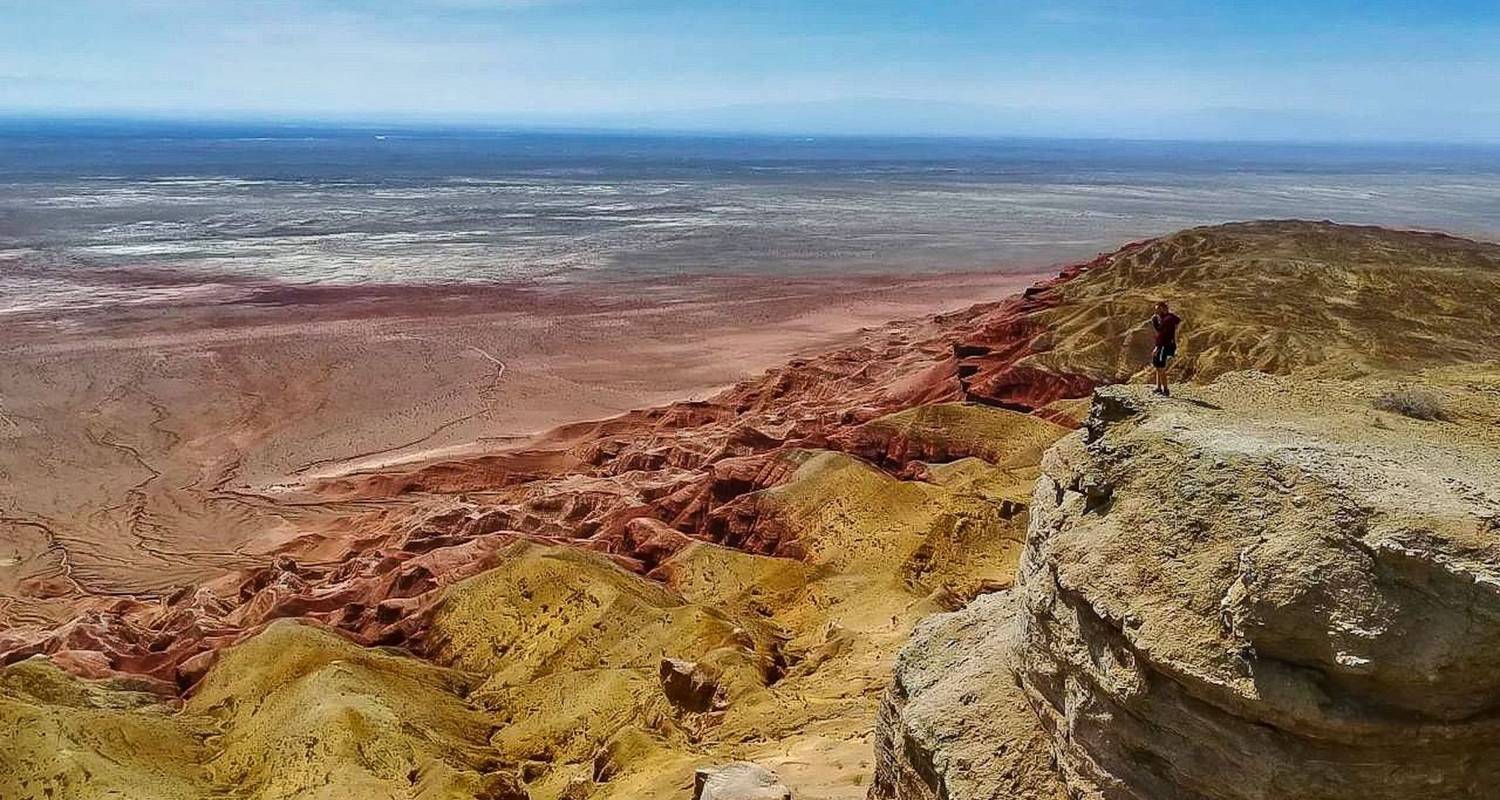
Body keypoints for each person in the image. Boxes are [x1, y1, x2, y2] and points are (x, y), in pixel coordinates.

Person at [1149, 301, 1181, 396]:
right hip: (1161, 345)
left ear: (1163, 308)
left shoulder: (1168, 319)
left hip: (1163, 346)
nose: (1156, 312)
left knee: (1161, 368)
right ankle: (1158, 387)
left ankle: (1165, 389)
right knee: (1157, 367)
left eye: (1158, 309)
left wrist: (1157, 348)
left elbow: (1163, 334)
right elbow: (1160, 330)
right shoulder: (1166, 318)